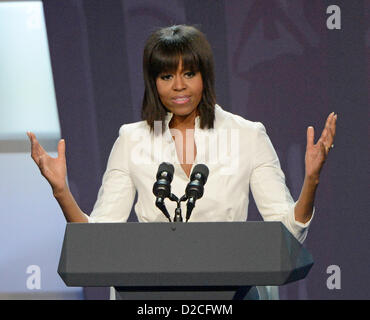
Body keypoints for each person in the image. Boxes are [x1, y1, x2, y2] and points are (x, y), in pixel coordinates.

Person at [27, 24, 336, 249]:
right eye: (166, 76)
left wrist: (311, 181)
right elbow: (99, 240)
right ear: (154, 82)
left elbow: (288, 232)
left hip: (228, 289)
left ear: (205, 75)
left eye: (189, 74)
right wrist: (61, 192)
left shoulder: (247, 136)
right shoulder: (131, 139)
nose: (178, 86)